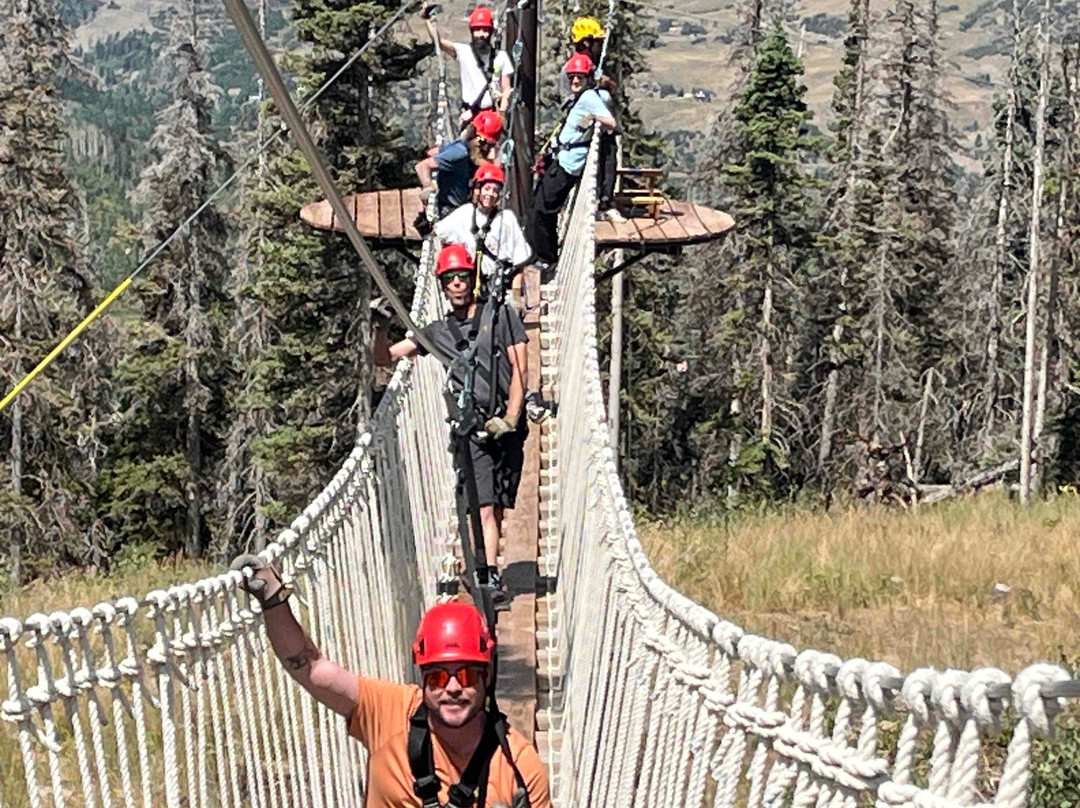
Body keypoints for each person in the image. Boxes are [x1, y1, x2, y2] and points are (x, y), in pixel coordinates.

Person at [229, 558, 552, 808]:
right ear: (422, 679)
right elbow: (310, 667)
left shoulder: (518, 766)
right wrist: (273, 600)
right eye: (438, 677)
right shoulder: (389, 711)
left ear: (487, 677)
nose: (452, 688)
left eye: (466, 675)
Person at [374, 245, 527, 605]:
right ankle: (489, 579)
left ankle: (485, 566)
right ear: (442, 286)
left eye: (462, 277)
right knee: (484, 507)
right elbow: (385, 358)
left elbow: (520, 370)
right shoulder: (437, 332)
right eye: (450, 280)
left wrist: (510, 417)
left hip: (508, 425)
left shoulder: (501, 316)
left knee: (500, 505)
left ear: (473, 280)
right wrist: (380, 329)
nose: (457, 285)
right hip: (470, 429)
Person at [435, 163, 550, 424]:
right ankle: (475, 397)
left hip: (498, 291)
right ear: (476, 189)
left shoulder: (506, 220)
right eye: (486, 188)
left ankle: (519, 400)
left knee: (511, 349)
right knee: (476, 347)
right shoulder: (464, 216)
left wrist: (517, 296)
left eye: (495, 189)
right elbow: (440, 234)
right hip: (473, 291)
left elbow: (519, 262)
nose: (490, 194)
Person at [527, 52, 616, 271]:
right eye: (572, 77)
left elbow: (611, 122)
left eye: (580, 77)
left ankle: (546, 258)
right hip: (561, 159)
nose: (575, 81)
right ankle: (543, 254)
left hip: (567, 165)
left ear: (589, 78)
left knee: (541, 210)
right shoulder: (586, 97)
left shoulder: (588, 98)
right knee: (540, 205)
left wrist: (595, 118)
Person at [560, 16, 623, 223]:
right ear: (587, 43)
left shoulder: (595, 68)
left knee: (608, 151)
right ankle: (599, 202)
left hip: (595, 125)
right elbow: (569, 103)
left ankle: (605, 200)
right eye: (597, 42)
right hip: (581, 127)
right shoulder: (572, 70)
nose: (600, 47)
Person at [424, 4, 514, 124]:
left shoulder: (501, 57)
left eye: (485, 30)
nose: (481, 34)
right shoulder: (464, 52)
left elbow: (506, 88)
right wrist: (427, 20)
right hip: (470, 116)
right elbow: (439, 42)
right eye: (477, 30)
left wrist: (501, 114)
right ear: (472, 31)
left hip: (492, 116)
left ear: (491, 32)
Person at [415, 110, 504, 219]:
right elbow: (422, 166)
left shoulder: (464, 148)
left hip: (467, 208)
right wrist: (428, 187)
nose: (488, 150)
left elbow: (433, 152)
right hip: (451, 212)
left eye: (492, 145)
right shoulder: (460, 152)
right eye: (485, 144)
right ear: (475, 137)